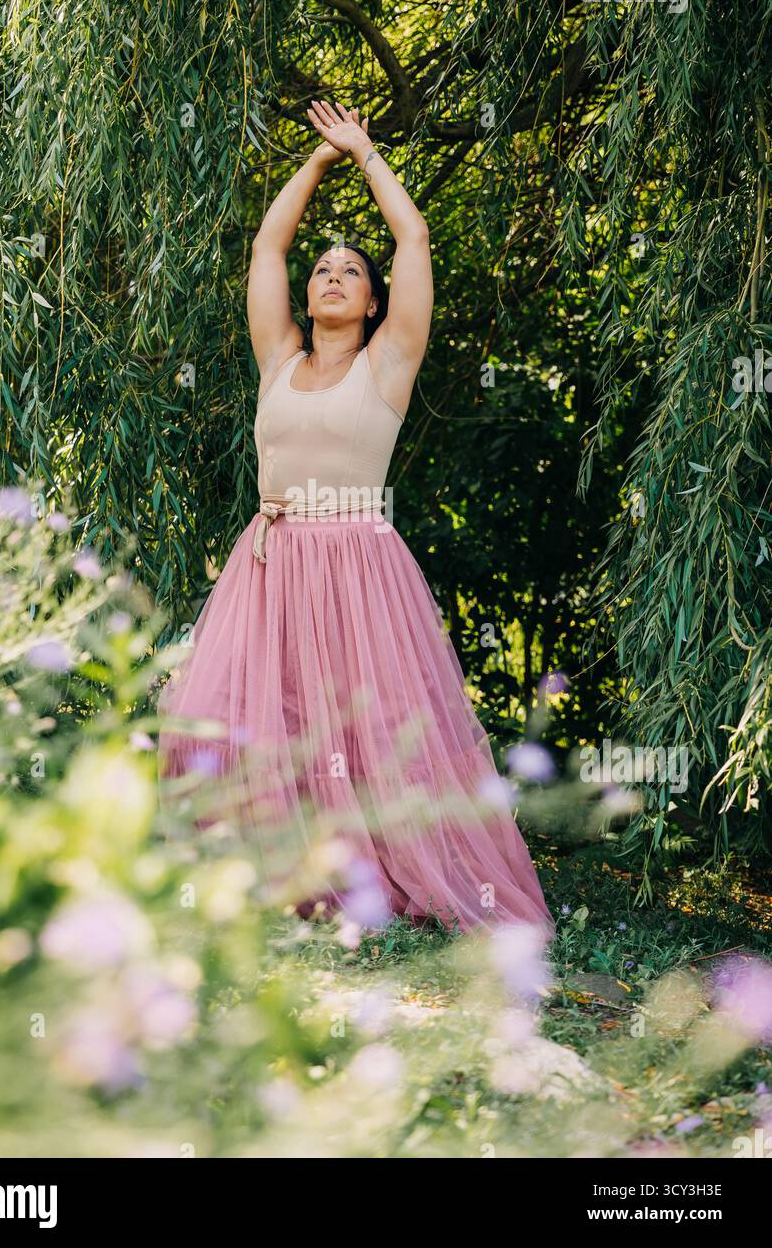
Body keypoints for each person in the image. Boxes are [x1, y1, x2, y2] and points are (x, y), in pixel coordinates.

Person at [158, 99, 554, 938]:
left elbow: (414, 243)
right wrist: (313, 165)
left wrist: (366, 154)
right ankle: (269, 874)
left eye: (349, 272)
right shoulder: (279, 359)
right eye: (323, 270)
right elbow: (267, 247)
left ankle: (377, 877)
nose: (331, 276)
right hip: (267, 563)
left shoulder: (387, 365)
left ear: (374, 303)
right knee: (232, 718)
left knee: (366, 733)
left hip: (358, 565)